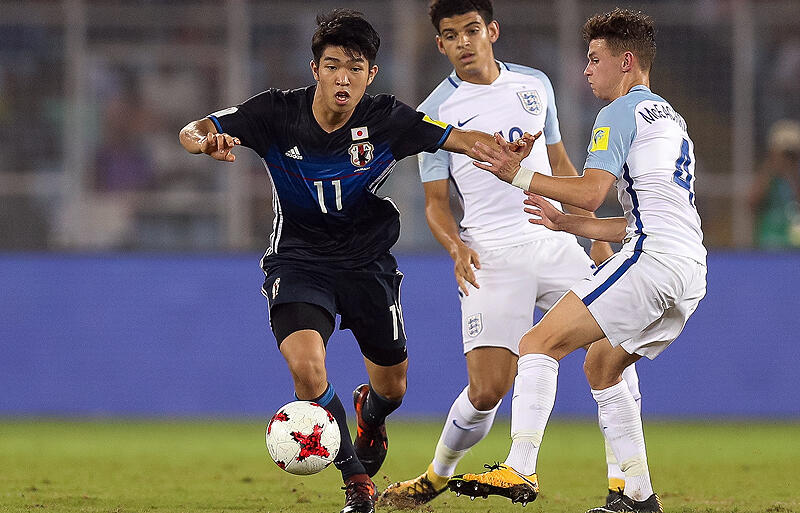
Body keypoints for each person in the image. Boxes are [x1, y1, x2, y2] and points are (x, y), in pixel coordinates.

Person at [179, 9, 518, 513]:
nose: (344, 77)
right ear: (315, 69)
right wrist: (205, 142)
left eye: (355, 67)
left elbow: (457, 138)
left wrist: (504, 151)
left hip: (366, 264)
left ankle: (370, 415)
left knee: (393, 387)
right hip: (298, 261)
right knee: (306, 369)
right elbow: (194, 128)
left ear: (371, 75)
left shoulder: (387, 119)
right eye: (333, 65)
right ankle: (356, 481)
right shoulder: (274, 114)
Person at [380, 0, 640, 508]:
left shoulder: (534, 84)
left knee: (615, 350)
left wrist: (595, 236)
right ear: (440, 44)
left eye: (471, 30)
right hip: (490, 254)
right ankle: (436, 477)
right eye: (451, 35)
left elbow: (561, 162)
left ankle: (624, 487)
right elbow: (436, 205)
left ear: (491, 31)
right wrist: (455, 245)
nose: (463, 42)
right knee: (486, 391)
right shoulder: (433, 115)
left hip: (553, 239)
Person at [451, 9, 707, 513]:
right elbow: (637, 219)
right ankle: (637, 495)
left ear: (626, 62)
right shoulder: (672, 120)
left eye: (595, 59)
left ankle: (519, 466)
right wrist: (569, 224)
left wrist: (518, 174)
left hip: (652, 263)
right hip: (690, 270)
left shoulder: (618, 112)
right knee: (602, 366)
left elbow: (590, 193)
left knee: (535, 343)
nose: (587, 70)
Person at [750, 119, 800, 249]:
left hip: (794, 244)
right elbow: (752, 203)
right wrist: (773, 164)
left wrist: (793, 171)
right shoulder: (768, 175)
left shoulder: (795, 177)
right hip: (769, 242)